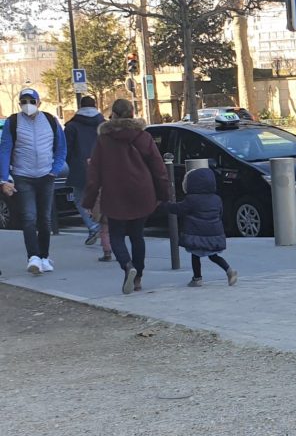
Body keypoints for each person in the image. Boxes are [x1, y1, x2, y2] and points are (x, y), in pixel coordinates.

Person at [83, 99, 169, 294]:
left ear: (113, 114)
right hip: (142, 191)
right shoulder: (143, 136)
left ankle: (127, 266)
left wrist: (89, 200)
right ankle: (138, 278)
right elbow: (159, 168)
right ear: (132, 113)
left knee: (117, 235)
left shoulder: (104, 140)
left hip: (114, 193)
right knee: (138, 236)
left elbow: (94, 173)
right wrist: (163, 194)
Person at [0, 87, 67, 275]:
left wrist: (54, 171)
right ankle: (33, 257)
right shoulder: (13, 122)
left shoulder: (50, 121)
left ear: (39, 103)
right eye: (24, 101)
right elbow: (5, 150)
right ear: (19, 103)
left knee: (45, 219)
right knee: (29, 217)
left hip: (46, 175)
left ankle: (44, 256)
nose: (27, 105)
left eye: (31, 101)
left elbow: (61, 148)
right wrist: (4, 178)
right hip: (23, 175)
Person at [167, 167, 237, 288]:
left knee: (195, 255)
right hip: (214, 233)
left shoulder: (191, 200)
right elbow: (220, 214)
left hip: (197, 234)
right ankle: (229, 270)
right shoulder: (217, 199)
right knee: (213, 256)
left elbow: (179, 209)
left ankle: (197, 278)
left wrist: (165, 205)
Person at [64, 95, 106, 246]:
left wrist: (70, 163)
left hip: (79, 167)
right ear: (95, 105)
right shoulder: (103, 123)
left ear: (80, 107)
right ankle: (104, 230)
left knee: (80, 199)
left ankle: (93, 226)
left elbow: (66, 149)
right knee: (102, 198)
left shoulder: (72, 126)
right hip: (102, 166)